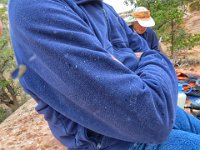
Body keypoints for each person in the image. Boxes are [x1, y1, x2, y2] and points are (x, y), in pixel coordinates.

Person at [8, 0, 200, 150]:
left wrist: (144, 59)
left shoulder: (104, 8)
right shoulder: (36, 9)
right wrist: (152, 58)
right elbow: (151, 116)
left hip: (157, 109)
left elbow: (144, 51)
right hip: (112, 139)